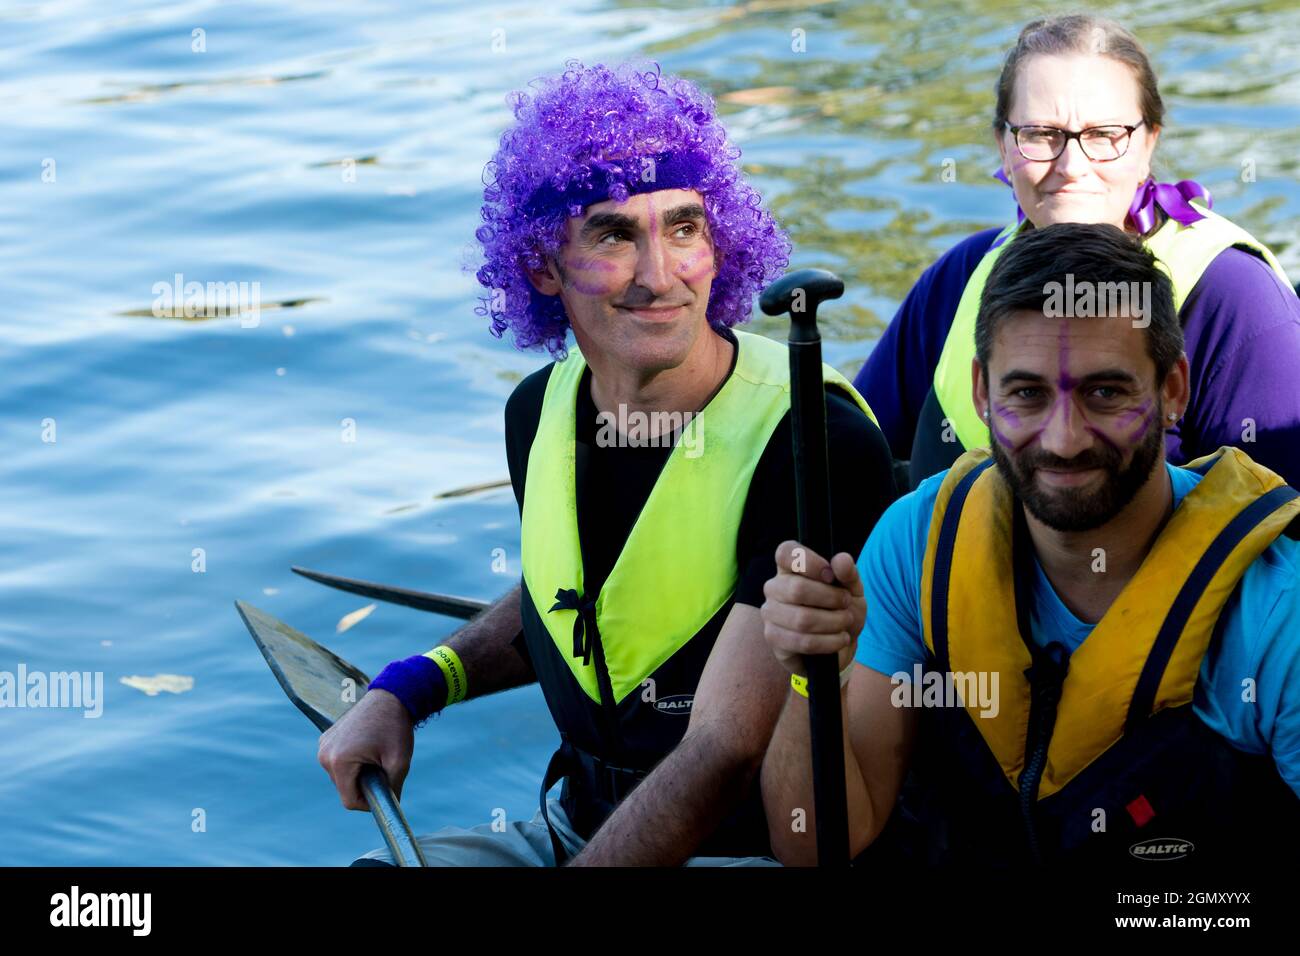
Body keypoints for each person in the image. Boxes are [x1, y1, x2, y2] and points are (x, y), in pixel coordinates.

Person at [318, 60, 896, 866]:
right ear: (541, 267)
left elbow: (725, 748)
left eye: (686, 228)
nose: (660, 276)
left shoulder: (816, 443)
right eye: (614, 234)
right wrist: (411, 689)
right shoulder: (537, 409)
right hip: (567, 829)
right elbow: (576, 607)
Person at [760, 222, 1300, 866]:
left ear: (1173, 389)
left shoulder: (1277, 609)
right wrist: (813, 676)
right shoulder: (918, 544)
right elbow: (815, 845)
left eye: (1105, 392)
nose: (1065, 439)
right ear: (983, 393)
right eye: (1028, 394)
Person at [854, 13, 1300, 489]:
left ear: (1149, 141)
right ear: (1003, 146)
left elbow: (1284, 528)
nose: (1071, 166)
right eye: (1041, 135)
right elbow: (847, 461)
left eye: (1105, 135)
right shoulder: (960, 277)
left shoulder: (1235, 298)